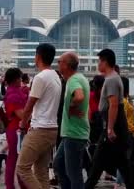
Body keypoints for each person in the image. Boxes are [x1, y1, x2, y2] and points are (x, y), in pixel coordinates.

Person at [85, 49, 134, 189]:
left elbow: (113, 105)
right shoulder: (113, 77)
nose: (98, 64)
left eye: (99, 61)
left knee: (97, 166)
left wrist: (110, 129)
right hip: (115, 126)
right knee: (122, 164)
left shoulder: (111, 79)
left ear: (105, 61)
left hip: (112, 127)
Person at [17, 43, 62, 189]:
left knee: (22, 168)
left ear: (38, 56)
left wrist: (23, 122)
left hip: (40, 129)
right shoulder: (56, 76)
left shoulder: (40, 77)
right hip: (52, 130)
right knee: (41, 172)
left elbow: (30, 103)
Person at [54, 52, 90, 189]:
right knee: (59, 164)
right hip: (71, 133)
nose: (58, 64)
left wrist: (70, 107)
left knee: (74, 173)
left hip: (74, 134)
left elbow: (79, 97)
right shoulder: (81, 77)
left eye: (60, 61)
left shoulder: (73, 80)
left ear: (67, 65)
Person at [115, 76, 134, 189]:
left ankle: (121, 182)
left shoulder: (123, 99)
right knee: (125, 160)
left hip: (126, 132)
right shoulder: (124, 101)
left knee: (125, 160)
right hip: (127, 133)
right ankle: (119, 183)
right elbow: (125, 121)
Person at [3, 68, 29, 189]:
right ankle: (11, 185)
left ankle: (15, 184)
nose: (21, 80)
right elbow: (21, 115)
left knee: (16, 159)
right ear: (15, 79)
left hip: (14, 129)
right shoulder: (14, 94)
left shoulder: (13, 91)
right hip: (16, 130)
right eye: (19, 77)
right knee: (14, 159)